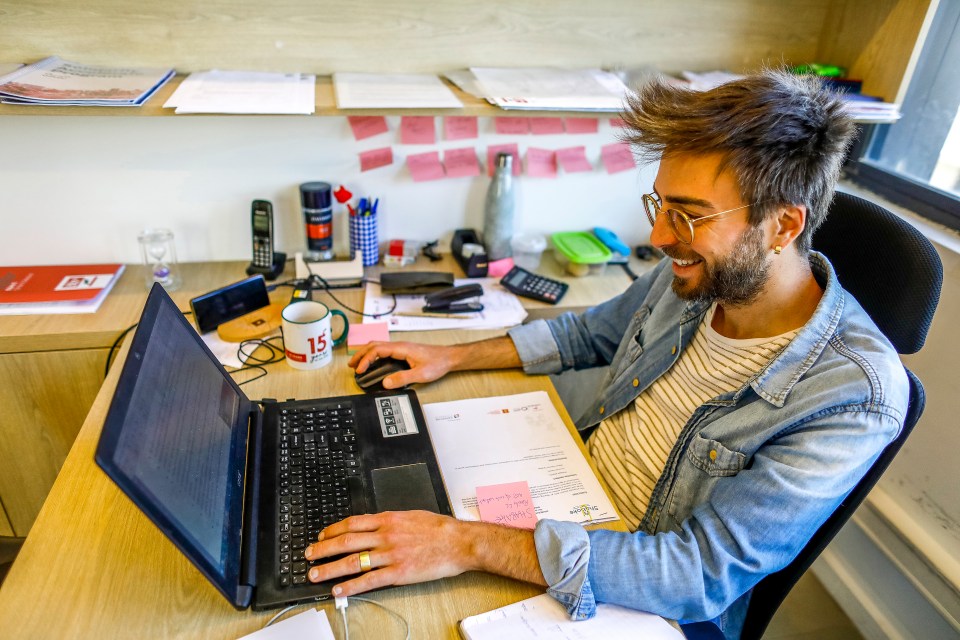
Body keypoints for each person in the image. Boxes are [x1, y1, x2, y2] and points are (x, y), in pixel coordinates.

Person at [304, 69, 909, 639]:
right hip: (572, 495)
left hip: (646, 596)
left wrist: (467, 544)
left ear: (782, 226)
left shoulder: (851, 395)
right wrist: (451, 358)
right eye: (661, 205)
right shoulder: (699, 277)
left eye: (689, 215)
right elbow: (585, 335)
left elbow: (696, 574)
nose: (660, 236)